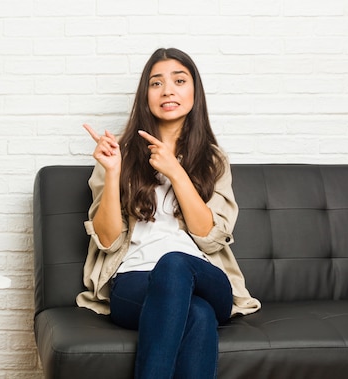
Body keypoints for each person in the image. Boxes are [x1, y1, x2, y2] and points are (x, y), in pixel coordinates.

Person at [76, 47, 261, 379]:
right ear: (145, 95)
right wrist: (114, 171)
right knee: (199, 316)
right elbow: (107, 239)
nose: (168, 90)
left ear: (194, 91)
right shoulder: (120, 153)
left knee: (175, 262)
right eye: (156, 83)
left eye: (179, 80)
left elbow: (210, 237)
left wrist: (176, 172)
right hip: (134, 282)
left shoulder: (213, 159)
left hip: (203, 277)